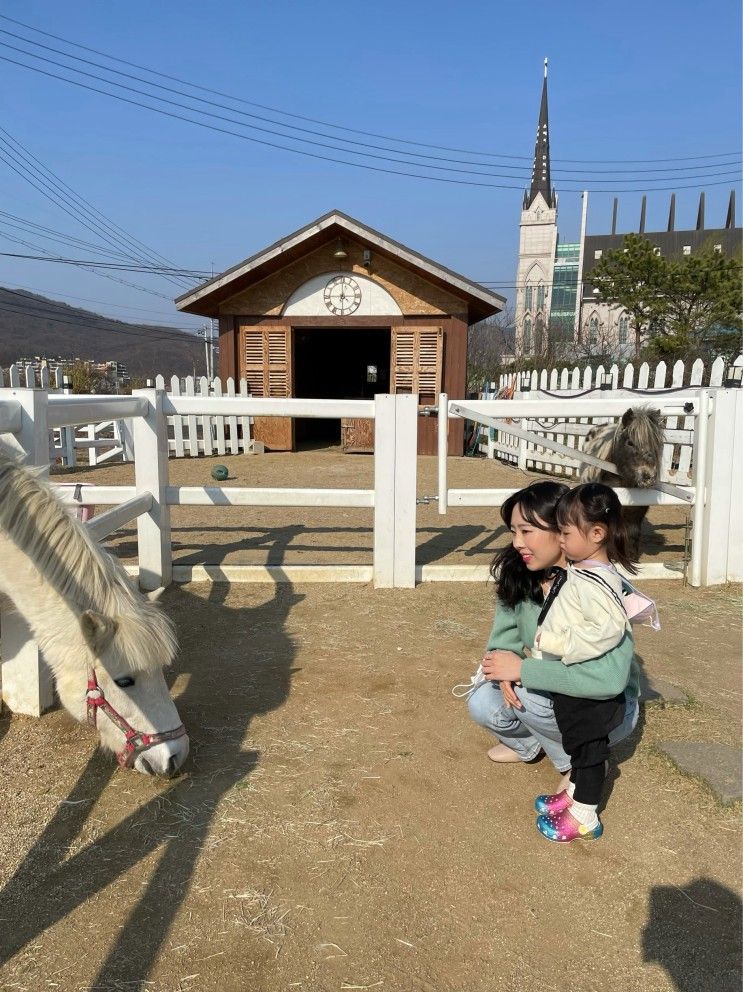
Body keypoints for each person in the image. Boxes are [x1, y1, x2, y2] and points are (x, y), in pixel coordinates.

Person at [465, 480, 640, 840]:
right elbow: (503, 643)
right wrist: (504, 672)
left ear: (561, 530)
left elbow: (607, 680)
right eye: (513, 531)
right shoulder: (521, 577)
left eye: (527, 530)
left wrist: (523, 670)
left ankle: (581, 768)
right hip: (560, 698)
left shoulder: (599, 589)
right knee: (483, 701)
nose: (517, 542)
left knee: (530, 693)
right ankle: (530, 746)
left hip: (606, 710)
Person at [528, 482, 642, 843]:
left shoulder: (596, 582)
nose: (559, 539)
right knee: (580, 747)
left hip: (590, 690)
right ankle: (574, 795)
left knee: (589, 751)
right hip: (577, 681)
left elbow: (605, 631)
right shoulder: (584, 571)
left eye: (564, 532)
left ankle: (584, 816)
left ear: (597, 533)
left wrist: (558, 642)